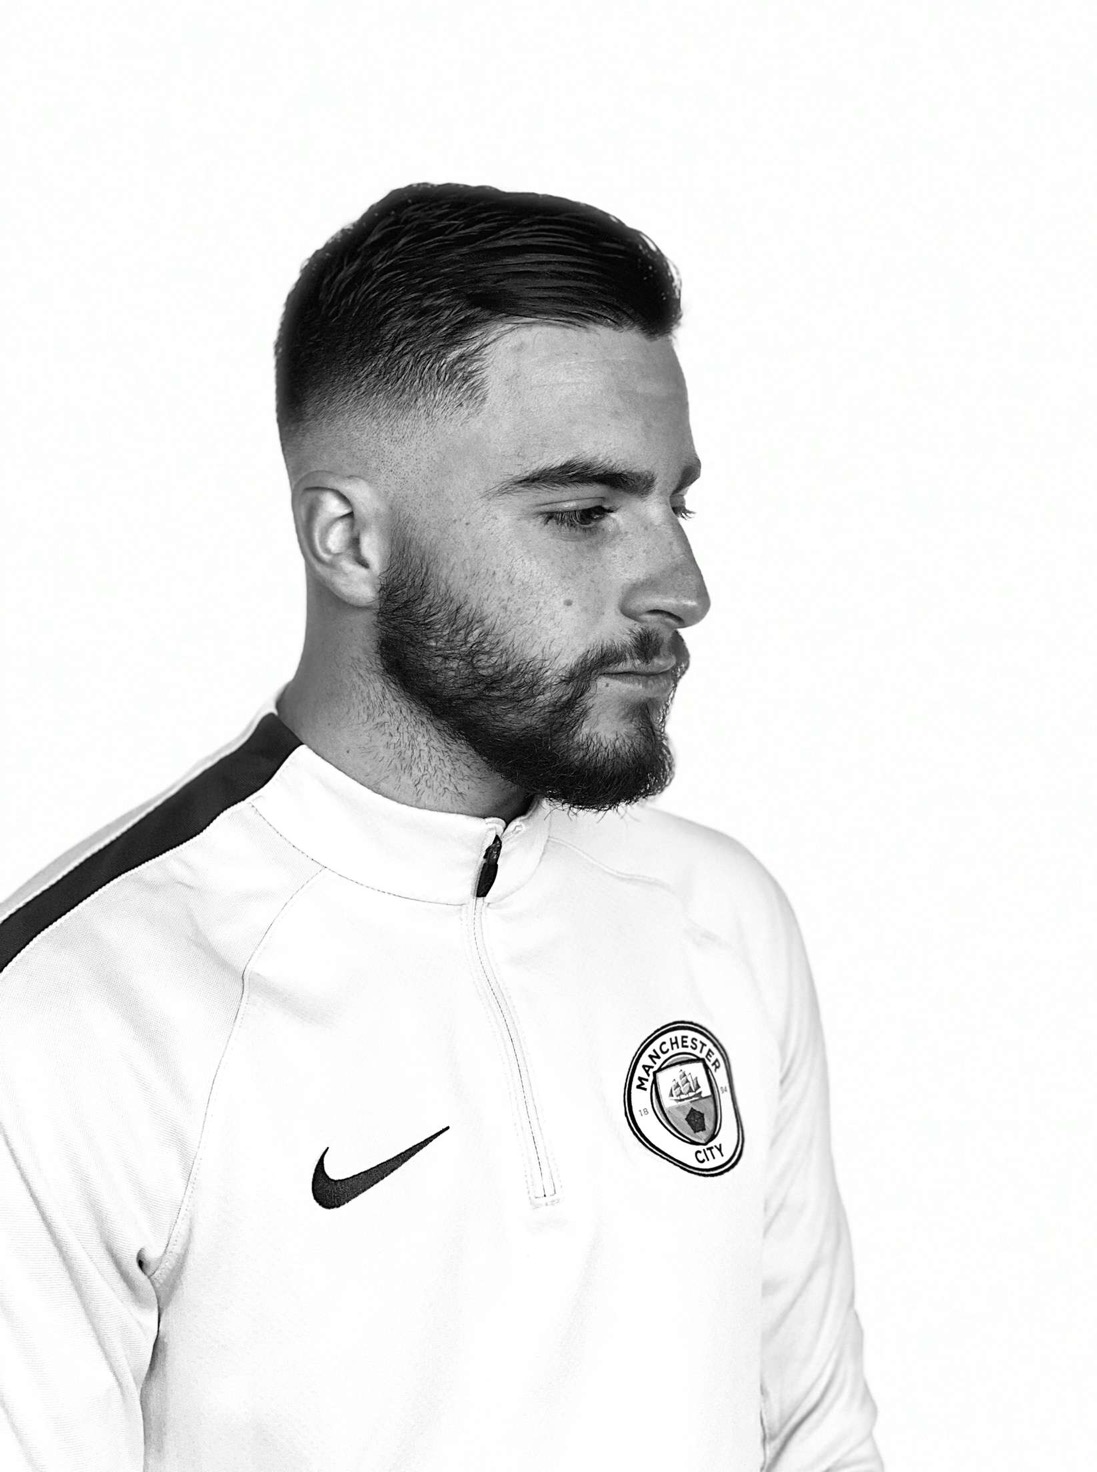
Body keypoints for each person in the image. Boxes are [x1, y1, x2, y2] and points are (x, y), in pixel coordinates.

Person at [0, 183, 882, 1471]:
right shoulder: (76, 1014)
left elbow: (812, 1436)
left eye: (674, 506)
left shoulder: (716, 914)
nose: (682, 587)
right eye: (582, 513)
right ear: (349, 540)